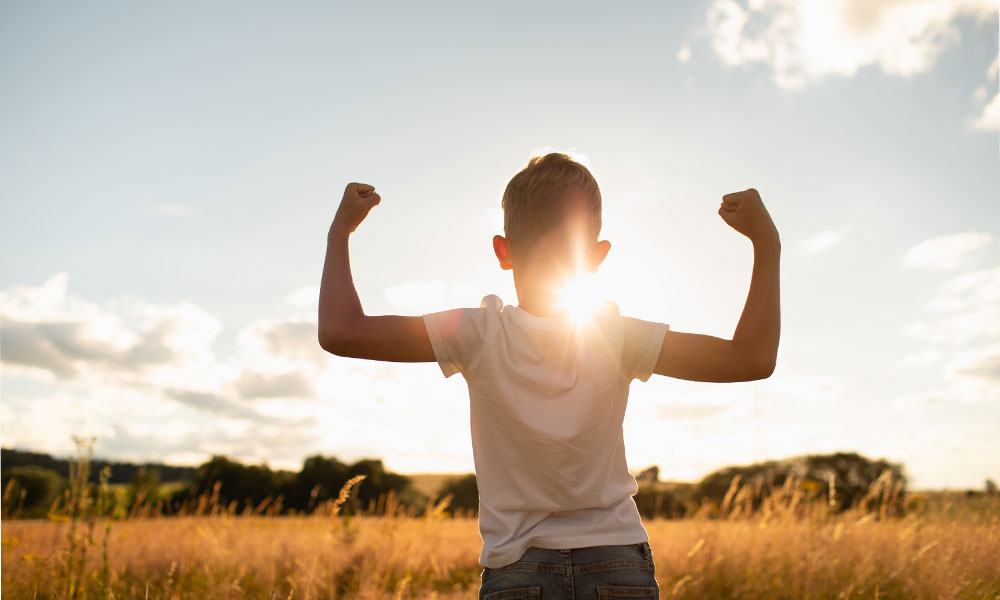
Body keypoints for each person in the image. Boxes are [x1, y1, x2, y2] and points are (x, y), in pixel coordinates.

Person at [318, 153, 781, 599]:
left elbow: (341, 332)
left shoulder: (477, 333)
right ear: (598, 256)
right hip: (618, 562)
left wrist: (341, 231)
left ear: (503, 251)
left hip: (518, 570)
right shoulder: (617, 336)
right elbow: (750, 359)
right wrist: (766, 243)